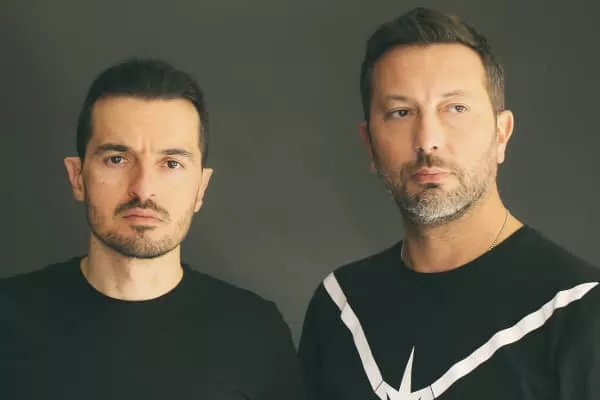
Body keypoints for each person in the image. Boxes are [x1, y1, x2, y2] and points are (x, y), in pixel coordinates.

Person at [298, 7, 600, 400]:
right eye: (401, 113)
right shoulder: (340, 308)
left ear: (502, 134)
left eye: (455, 108)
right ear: (369, 143)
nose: (427, 140)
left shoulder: (581, 311)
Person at [0, 58, 306, 400]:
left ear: (201, 187)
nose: (143, 189)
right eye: (117, 159)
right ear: (77, 177)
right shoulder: (7, 318)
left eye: (171, 163)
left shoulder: (255, 332)